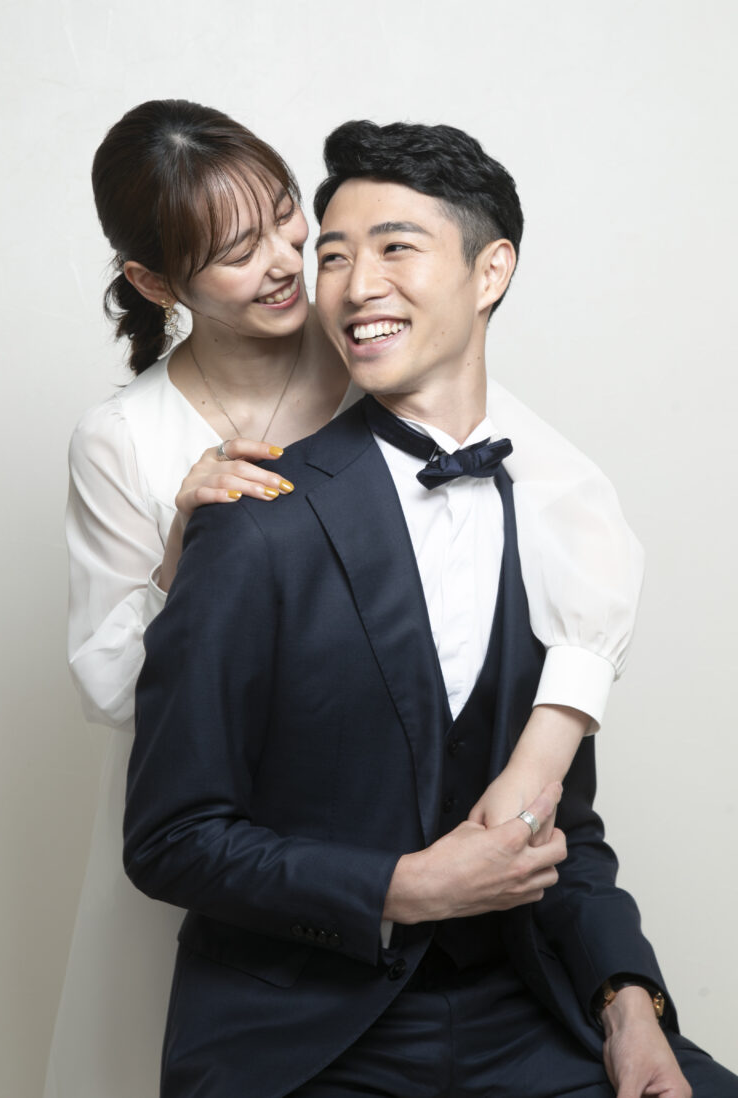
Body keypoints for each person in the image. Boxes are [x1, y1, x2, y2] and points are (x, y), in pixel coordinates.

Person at [124, 119, 738, 1097]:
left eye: (395, 248)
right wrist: (404, 888)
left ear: (491, 271)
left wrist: (630, 1003)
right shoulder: (251, 517)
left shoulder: (559, 520)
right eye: (333, 256)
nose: (355, 285)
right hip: (305, 1035)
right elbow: (171, 838)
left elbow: (564, 827)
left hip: (522, 1013)